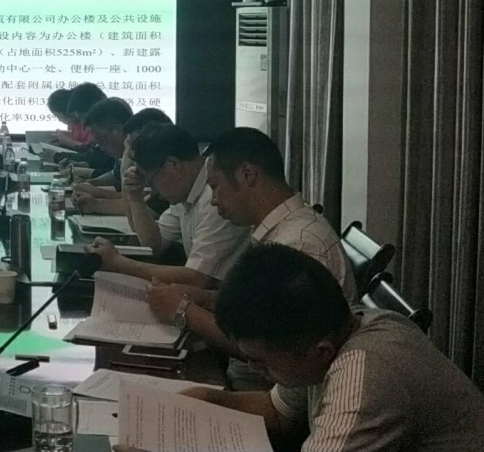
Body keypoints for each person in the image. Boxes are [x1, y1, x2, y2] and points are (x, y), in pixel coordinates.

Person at [179, 243, 484, 452]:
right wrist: (204, 400)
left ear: (320, 352)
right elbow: (278, 411)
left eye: (261, 362)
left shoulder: (366, 374)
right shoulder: (338, 325)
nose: (254, 369)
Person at [144, 127, 355, 366]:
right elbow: (264, 311)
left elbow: (273, 347)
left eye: (215, 186)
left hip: (260, 382)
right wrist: (207, 298)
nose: (213, 200)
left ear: (247, 175)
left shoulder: (299, 243)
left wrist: (183, 310)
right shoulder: (277, 229)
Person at [87, 123, 249, 287]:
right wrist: (135, 197)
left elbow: (197, 278)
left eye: (152, 181)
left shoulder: (214, 198)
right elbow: (154, 244)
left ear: (173, 164)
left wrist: (118, 263)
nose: (154, 191)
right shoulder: (186, 191)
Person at [75, 106, 171, 216]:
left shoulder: (164, 171)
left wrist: (96, 203)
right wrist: (95, 193)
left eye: (100, 141)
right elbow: (143, 199)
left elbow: (142, 210)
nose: (101, 147)